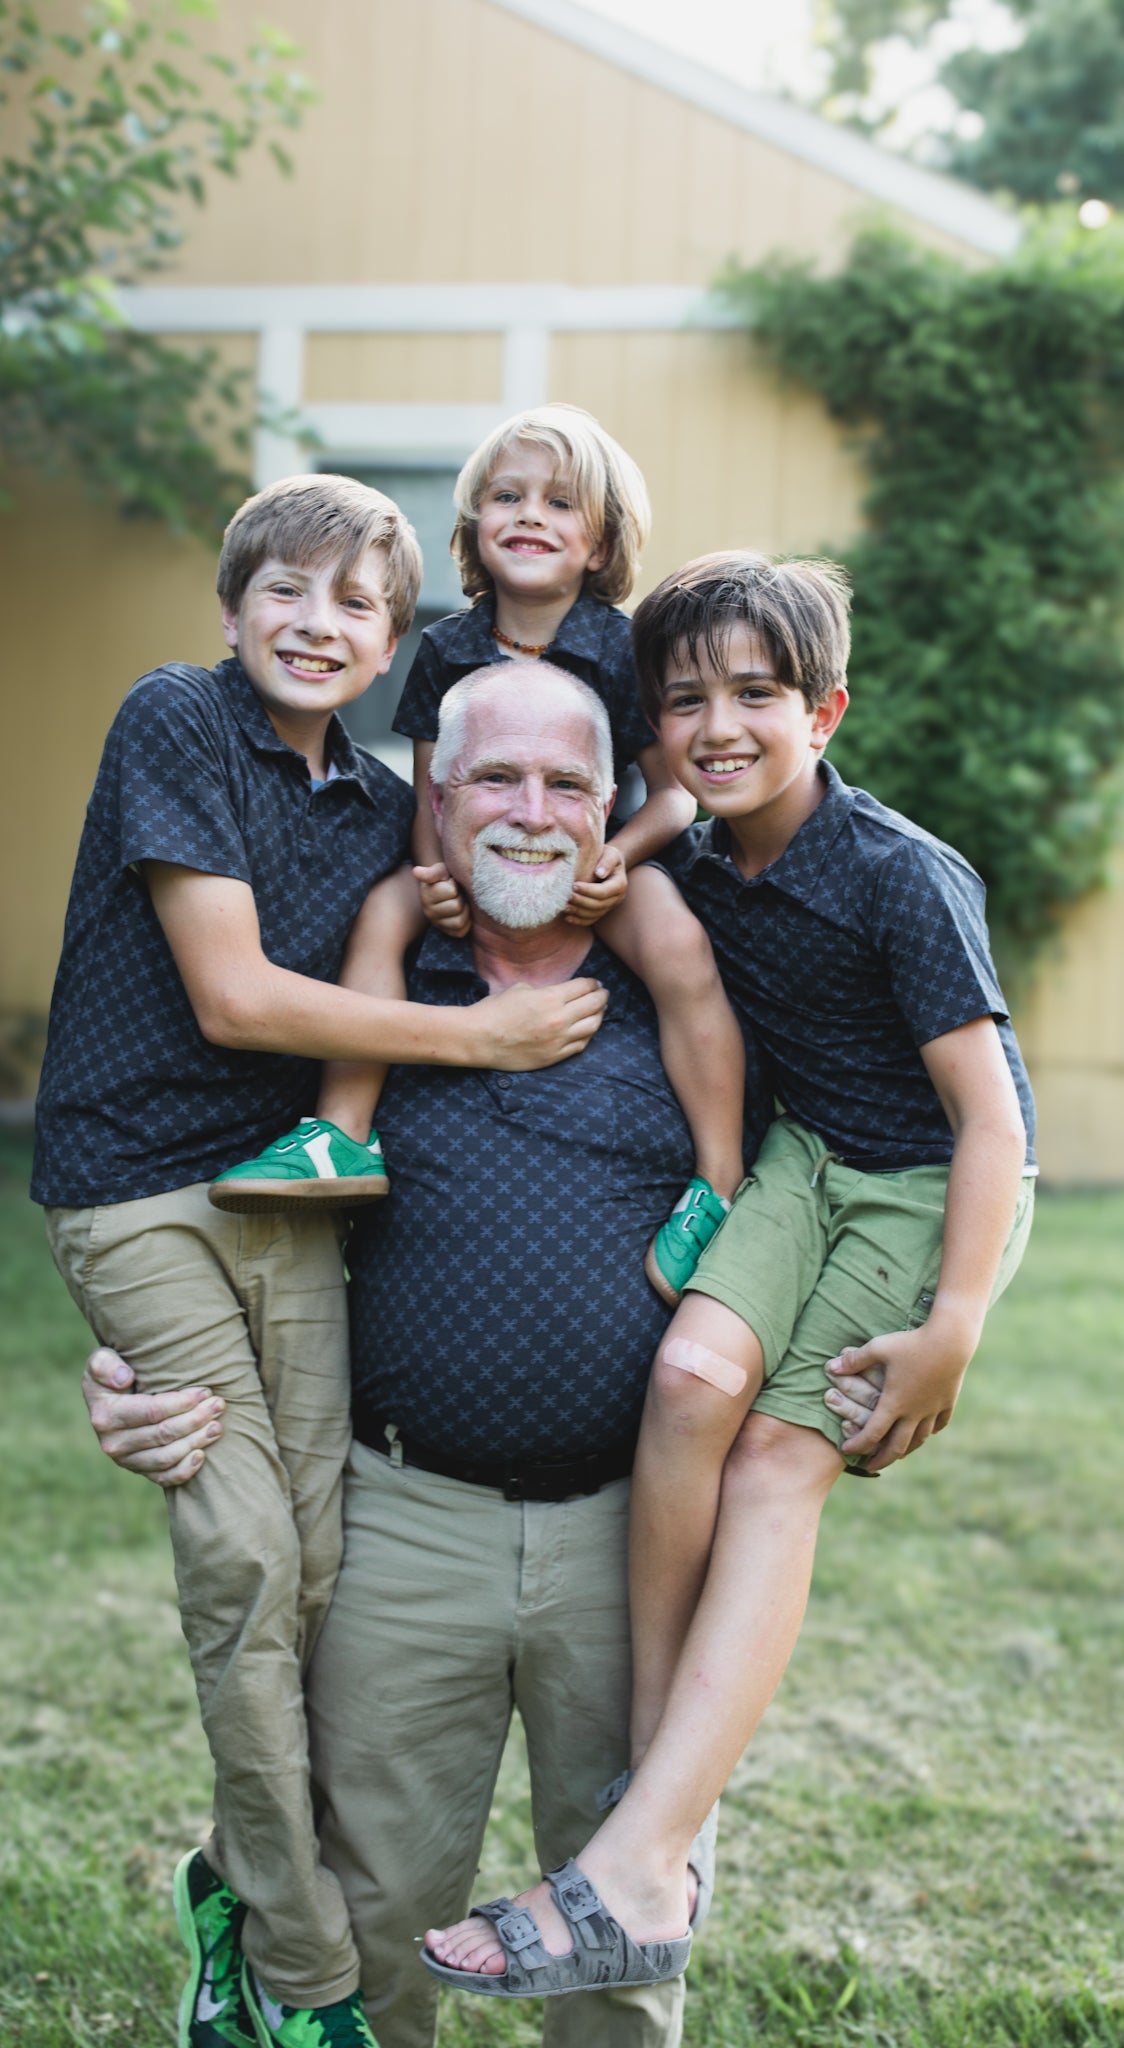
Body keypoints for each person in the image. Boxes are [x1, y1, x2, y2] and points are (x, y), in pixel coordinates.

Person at [82, 661, 778, 2048]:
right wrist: (138, 1373)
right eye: (495, 781)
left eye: (568, 783)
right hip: (402, 1524)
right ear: (437, 802)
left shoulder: (690, 984)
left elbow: (849, 1191)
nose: (532, 811)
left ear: (614, 809)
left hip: (629, 1535)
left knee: (620, 1930)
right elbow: (198, 1227)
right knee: (377, 1913)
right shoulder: (365, 995)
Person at [32, 480, 608, 2048]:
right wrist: (474, 1036)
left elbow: (537, 790)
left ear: (388, 646)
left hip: (286, 1204)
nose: (313, 624)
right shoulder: (176, 720)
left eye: (356, 605)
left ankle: (232, 1879)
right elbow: (229, 995)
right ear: (231, 611)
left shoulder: (372, 803)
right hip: (139, 1188)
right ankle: (301, 1977)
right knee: (248, 1565)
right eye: (283, 592)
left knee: (326, 1569)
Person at [423, 550, 1038, 1997]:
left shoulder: (900, 874)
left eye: (756, 693)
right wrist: (557, 865)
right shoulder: (695, 861)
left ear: (825, 710)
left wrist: (956, 1324)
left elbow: (995, 1119)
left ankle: (642, 1853)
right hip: (806, 1162)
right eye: (685, 699)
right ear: (652, 732)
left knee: (772, 1462)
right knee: (691, 1378)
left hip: (923, 1185)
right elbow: (607, 869)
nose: (718, 724)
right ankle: (665, 1774)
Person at [212, 407, 745, 1305]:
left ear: (601, 539)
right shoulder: (447, 645)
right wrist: (435, 879)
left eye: (559, 502)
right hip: (477, 861)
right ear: (473, 524)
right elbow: (433, 789)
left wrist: (618, 856)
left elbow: (675, 793)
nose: (530, 515)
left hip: (599, 858)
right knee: (386, 909)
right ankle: (341, 1132)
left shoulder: (623, 645)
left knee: (678, 945)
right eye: (508, 496)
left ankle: (717, 1183)